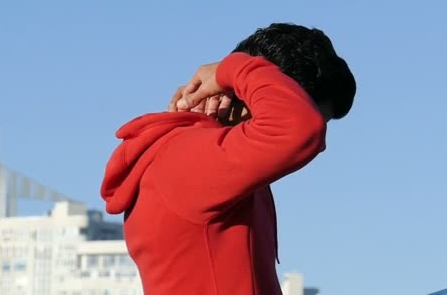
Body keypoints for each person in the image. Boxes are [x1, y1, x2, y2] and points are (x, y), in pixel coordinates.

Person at [100, 23, 356, 295]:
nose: (322, 145)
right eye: (295, 103)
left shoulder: (209, 159)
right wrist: (233, 69)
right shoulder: (184, 160)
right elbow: (301, 130)